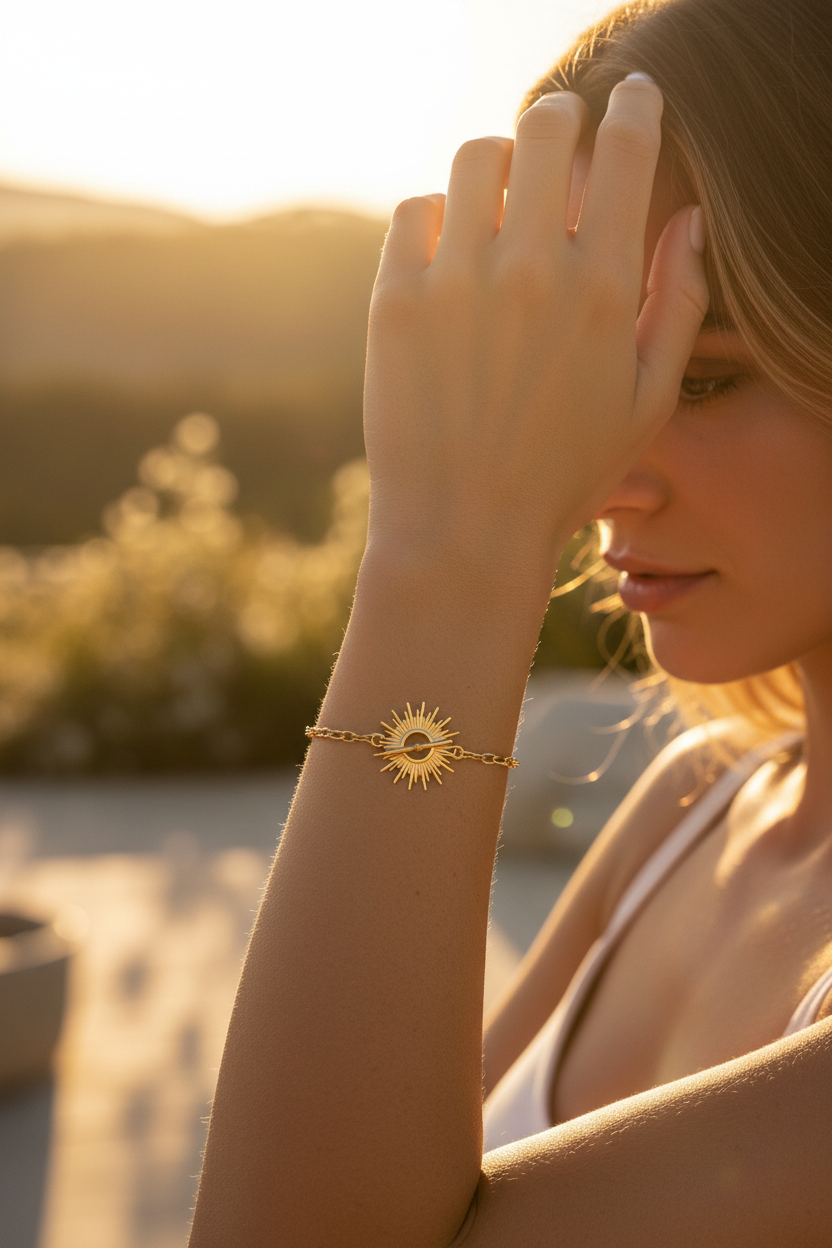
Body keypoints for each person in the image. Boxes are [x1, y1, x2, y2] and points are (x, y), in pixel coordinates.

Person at [188, 0, 832, 1243]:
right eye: (589, 365)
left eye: (700, 378)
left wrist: (451, 547)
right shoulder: (690, 807)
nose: (591, 473)